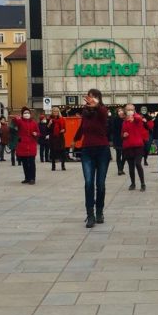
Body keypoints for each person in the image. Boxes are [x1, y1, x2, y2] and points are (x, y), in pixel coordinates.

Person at [73, 89, 111, 227]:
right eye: (90, 96)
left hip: (102, 150)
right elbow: (83, 127)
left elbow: (102, 114)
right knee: (89, 183)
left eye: (94, 97)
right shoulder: (85, 112)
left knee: (100, 184)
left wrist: (96, 105)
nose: (91, 99)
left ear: (99, 99)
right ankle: (90, 215)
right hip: (87, 150)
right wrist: (75, 139)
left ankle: (100, 211)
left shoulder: (102, 111)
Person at [121, 103, 147, 191]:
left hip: (138, 145)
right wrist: (123, 135)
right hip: (128, 146)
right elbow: (122, 134)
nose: (129, 111)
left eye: (131, 109)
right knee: (131, 166)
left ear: (134, 109)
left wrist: (134, 116)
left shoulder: (137, 118)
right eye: (128, 110)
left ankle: (143, 183)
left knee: (138, 164)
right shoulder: (124, 121)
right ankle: (133, 183)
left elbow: (139, 118)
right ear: (125, 110)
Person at [13, 107, 39, 184]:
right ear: (22, 114)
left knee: (31, 162)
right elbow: (15, 122)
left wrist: (36, 134)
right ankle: (27, 177)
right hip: (23, 145)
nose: (26, 114)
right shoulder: (20, 122)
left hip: (31, 145)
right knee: (24, 163)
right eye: (25, 113)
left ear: (30, 114)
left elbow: (38, 132)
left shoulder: (34, 123)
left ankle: (32, 178)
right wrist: (17, 118)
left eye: (28, 113)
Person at [48, 106, 67, 171]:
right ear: (52, 112)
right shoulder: (49, 119)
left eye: (57, 111)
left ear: (58, 112)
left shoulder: (62, 119)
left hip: (60, 137)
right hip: (53, 138)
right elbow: (47, 130)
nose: (55, 112)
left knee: (62, 152)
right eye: (54, 111)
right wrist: (49, 124)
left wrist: (63, 130)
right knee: (53, 152)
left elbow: (65, 129)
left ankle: (63, 165)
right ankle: (53, 166)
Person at [112, 107, 126, 175]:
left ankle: (121, 168)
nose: (120, 112)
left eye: (121, 111)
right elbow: (113, 130)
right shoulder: (115, 120)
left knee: (124, 155)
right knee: (118, 155)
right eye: (119, 111)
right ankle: (119, 170)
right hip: (117, 139)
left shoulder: (125, 119)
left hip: (125, 139)